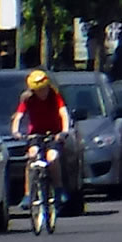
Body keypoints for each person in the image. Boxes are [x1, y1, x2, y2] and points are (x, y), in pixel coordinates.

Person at [12, 69, 72, 207]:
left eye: (44, 89)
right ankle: (28, 194)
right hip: (36, 134)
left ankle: (58, 189)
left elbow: (63, 114)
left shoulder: (54, 96)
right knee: (32, 156)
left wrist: (64, 131)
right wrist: (16, 131)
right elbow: (19, 116)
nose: (42, 93)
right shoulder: (28, 99)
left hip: (53, 134)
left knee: (52, 158)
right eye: (39, 90)